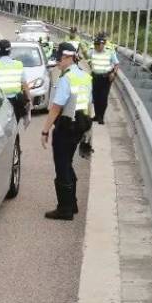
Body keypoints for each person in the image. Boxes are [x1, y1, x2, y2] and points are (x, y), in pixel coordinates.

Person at [40, 42, 93, 221]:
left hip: (65, 127)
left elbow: (56, 107)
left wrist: (45, 131)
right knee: (68, 163)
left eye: (59, 59)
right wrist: (87, 133)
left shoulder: (66, 79)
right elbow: (88, 105)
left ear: (67, 58)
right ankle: (73, 203)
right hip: (80, 126)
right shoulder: (85, 77)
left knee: (62, 166)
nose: (58, 63)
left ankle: (65, 209)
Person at [0, 39, 32, 122]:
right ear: (10, 51)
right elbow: (25, 85)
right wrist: (29, 101)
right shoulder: (19, 64)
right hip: (16, 102)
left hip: (1, 103)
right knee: (15, 124)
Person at [88, 34, 119, 124]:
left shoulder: (110, 52)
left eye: (98, 45)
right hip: (94, 77)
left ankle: (101, 116)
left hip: (105, 78)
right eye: (95, 45)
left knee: (103, 97)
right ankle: (97, 115)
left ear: (103, 44)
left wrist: (114, 73)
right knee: (95, 97)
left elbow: (116, 64)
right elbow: (85, 56)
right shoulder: (92, 51)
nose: (97, 47)